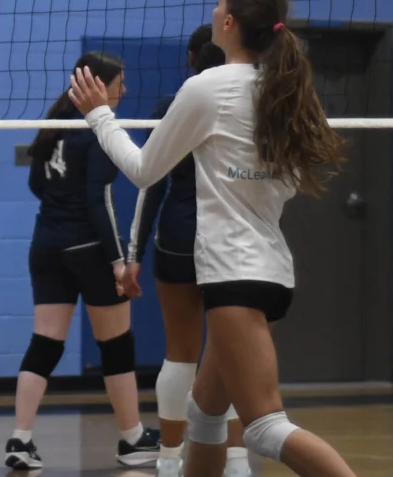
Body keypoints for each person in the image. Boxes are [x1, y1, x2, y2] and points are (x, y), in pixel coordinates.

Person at [68, 0, 357, 477]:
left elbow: (142, 171)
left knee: (265, 427)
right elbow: (284, 184)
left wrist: (99, 117)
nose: (211, 10)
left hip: (233, 275)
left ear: (228, 22)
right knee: (204, 417)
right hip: (267, 272)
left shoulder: (208, 87)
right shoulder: (282, 89)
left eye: (217, 3)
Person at [3, 52, 160, 471]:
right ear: (97, 86)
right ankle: (131, 439)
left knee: (45, 342)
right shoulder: (98, 131)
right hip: (88, 248)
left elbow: (37, 182)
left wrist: (60, 212)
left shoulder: (54, 123)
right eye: (119, 83)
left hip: (46, 245)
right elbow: (98, 200)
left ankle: (20, 438)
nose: (123, 91)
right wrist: (117, 259)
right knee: (116, 344)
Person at [127, 25, 249, 477]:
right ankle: (237, 463)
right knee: (230, 353)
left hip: (178, 236)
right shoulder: (249, 102)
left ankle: (168, 460)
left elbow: (149, 183)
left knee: (180, 351)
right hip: (229, 238)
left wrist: (132, 253)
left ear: (191, 59)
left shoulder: (173, 105)